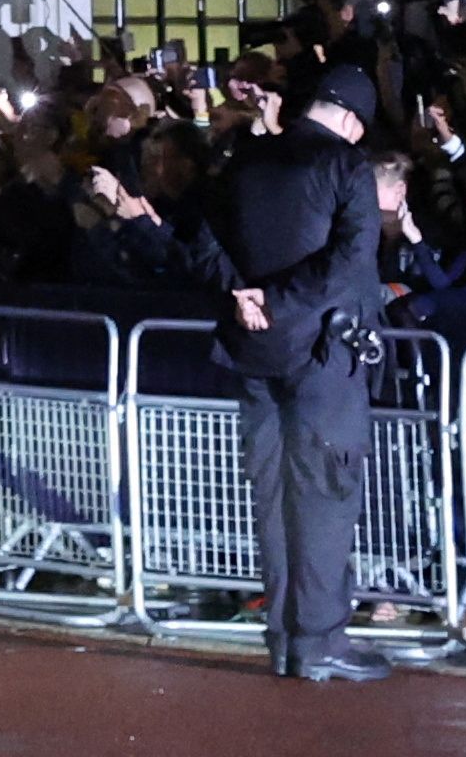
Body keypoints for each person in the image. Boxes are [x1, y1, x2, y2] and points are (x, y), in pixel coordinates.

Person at [184, 64, 390, 684]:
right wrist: (278, 300)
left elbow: (200, 239)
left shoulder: (243, 160)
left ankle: (282, 637)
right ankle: (320, 639)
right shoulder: (348, 168)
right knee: (325, 497)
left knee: (271, 497)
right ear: (353, 120)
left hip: (251, 350)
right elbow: (350, 261)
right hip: (324, 353)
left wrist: (243, 296)